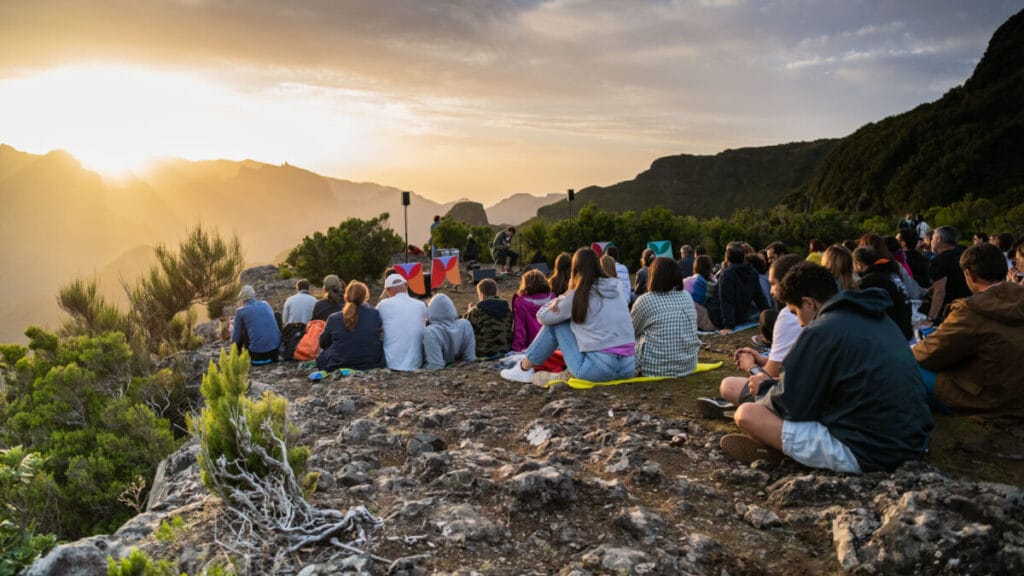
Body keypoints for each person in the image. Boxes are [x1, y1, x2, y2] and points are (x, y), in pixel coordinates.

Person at [720, 263, 932, 473]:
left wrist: (765, 386)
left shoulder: (821, 330)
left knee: (747, 414)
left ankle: (775, 450)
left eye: (795, 313)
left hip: (870, 449)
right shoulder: (876, 317)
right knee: (730, 386)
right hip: (910, 438)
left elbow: (791, 406)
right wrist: (769, 384)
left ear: (809, 303)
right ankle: (775, 441)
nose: (800, 323)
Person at [913, 244, 1024, 417]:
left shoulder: (971, 312)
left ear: (969, 274)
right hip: (1015, 394)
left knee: (903, 365)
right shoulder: (1018, 298)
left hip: (985, 400)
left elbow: (929, 355)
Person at [500, 248, 636, 383]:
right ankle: (528, 367)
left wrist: (560, 298)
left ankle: (524, 368)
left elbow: (543, 317)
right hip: (628, 368)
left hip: (598, 370)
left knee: (556, 324)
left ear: (575, 269)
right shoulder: (616, 288)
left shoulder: (580, 294)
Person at [717, 254, 805, 405]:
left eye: (773, 284)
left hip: (802, 400)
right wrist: (763, 360)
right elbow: (789, 368)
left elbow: (767, 380)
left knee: (729, 387)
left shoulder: (789, 316)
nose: (771, 291)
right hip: (808, 387)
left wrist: (750, 366)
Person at [631, 257, 699, 377]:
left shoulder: (646, 300)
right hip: (688, 366)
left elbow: (631, 332)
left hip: (655, 368)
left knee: (628, 343)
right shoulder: (686, 296)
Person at [316, 281, 385, 371]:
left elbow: (323, 343)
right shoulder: (374, 314)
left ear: (346, 297)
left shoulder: (334, 318)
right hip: (369, 362)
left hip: (339, 362)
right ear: (365, 297)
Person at [853, 247, 913, 341]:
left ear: (858, 264)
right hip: (906, 329)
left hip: (894, 335)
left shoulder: (869, 281)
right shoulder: (890, 273)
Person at [714, 243, 770, 334]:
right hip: (740, 317)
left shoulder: (727, 273)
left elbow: (727, 301)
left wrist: (728, 326)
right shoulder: (753, 272)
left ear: (727, 259)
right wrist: (769, 315)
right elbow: (760, 298)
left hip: (720, 319)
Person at [921, 226, 970, 327]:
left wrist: (930, 319)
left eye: (933, 238)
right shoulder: (965, 254)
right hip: (970, 305)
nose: (931, 242)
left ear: (938, 239)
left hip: (951, 310)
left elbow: (940, 293)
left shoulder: (939, 261)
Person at [376, 274, 427, 370]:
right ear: (406, 285)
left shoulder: (383, 305)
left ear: (388, 290)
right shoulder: (421, 305)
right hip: (416, 363)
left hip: (391, 363)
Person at [422, 293, 475, 370]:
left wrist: (422, 368)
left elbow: (436, 365)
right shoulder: (464, 325)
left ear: (431, 311)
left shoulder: (431, 332)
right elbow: (470, 357)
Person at [231, 285, 282, 364]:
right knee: (277, 315)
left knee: (242, 326)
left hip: (256, 356)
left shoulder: (240, 311)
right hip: (274, 354)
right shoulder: (265, 304)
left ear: (242, 299)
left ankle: (238, 357)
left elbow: (235, 338)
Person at [464, 278, 512, 358]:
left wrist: (469, 311)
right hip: (505, 349)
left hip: (484, 351)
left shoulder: (476, 311)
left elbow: (466, 327)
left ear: (481, 294)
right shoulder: (507, 309)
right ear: (496, 292)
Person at [511, 270, 555, 351]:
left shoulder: (520, 301)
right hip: (551, 345)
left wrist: (516, 348)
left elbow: (519, 328)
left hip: (531, 347)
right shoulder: (553, 298)